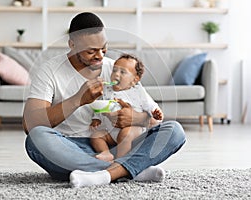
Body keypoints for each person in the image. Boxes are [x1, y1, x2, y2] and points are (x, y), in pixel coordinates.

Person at [23, 12, 186, 188]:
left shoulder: (117, 69)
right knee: (36, 139)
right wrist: (78, 99)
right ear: (72, 45)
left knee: (174, 131)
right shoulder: (49, 71)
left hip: (117, 146)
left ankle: (105, 173)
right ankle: (130, 170)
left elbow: (154, 117)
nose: (100, 56)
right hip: (71, 149)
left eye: (104, 48)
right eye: (91, 51)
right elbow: (30, 124)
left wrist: (136, 118)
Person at [90, 54, 164, 162]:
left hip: (132, 130)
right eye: (114, 70)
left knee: (125, 135)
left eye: (122, 72)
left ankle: (121, 162)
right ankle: (105, 153)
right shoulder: (107, 90)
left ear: (135, 80)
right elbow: (102, 105)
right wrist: (96, 118)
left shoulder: (138, 92)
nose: (116, 74)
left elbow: (151, 106)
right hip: (111, 131)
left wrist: (155, 113)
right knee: (96, 135)